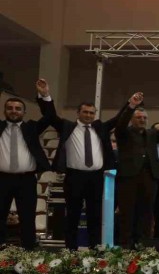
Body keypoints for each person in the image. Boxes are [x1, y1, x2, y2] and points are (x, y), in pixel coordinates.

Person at [37, 78, 125, 250]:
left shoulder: (100, 128)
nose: (89, 115)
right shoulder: (67, 126)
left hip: (96, 177)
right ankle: (71, 250)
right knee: (73, 215)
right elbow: (50, 116)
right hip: (74, 176)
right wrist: (45, 95)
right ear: (78, 113)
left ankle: (94, 249)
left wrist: (131, 104)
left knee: (95, 215)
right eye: (85, 112)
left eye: (92, 113)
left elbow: (117, 119)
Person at [114, 93, 159, 248]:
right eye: (138, 117)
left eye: (144, 118)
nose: (142, 120)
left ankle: (144, 246)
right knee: (127, 213)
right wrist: (131, 106)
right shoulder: (123, 133)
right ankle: (126, 246)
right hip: (128, 178)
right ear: (132, 119)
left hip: (149, 177)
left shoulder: (152, 134)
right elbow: (120, 124)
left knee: (147, 213)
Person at [0, 83, 53, 249]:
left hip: (26, 180)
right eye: (10, 108)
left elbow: (50, 116)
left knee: (27, 217)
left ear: (24, 112)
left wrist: (44, 96)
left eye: (18, 108)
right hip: (2, 179)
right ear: (4, 111)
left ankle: (28, 252)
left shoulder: (31, 128)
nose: (14, 111)